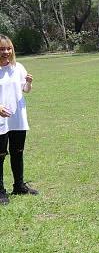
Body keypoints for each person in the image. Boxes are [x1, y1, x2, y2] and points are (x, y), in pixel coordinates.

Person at [0, 35, 38, 205]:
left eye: (8, 48)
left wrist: (28, 83)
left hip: (18, 119)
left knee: (18, 152)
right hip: (1, 122)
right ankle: (0, 191)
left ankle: (19, 186)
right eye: (2, 49)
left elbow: (25, 89)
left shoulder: (18, 67)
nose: (6, 52)